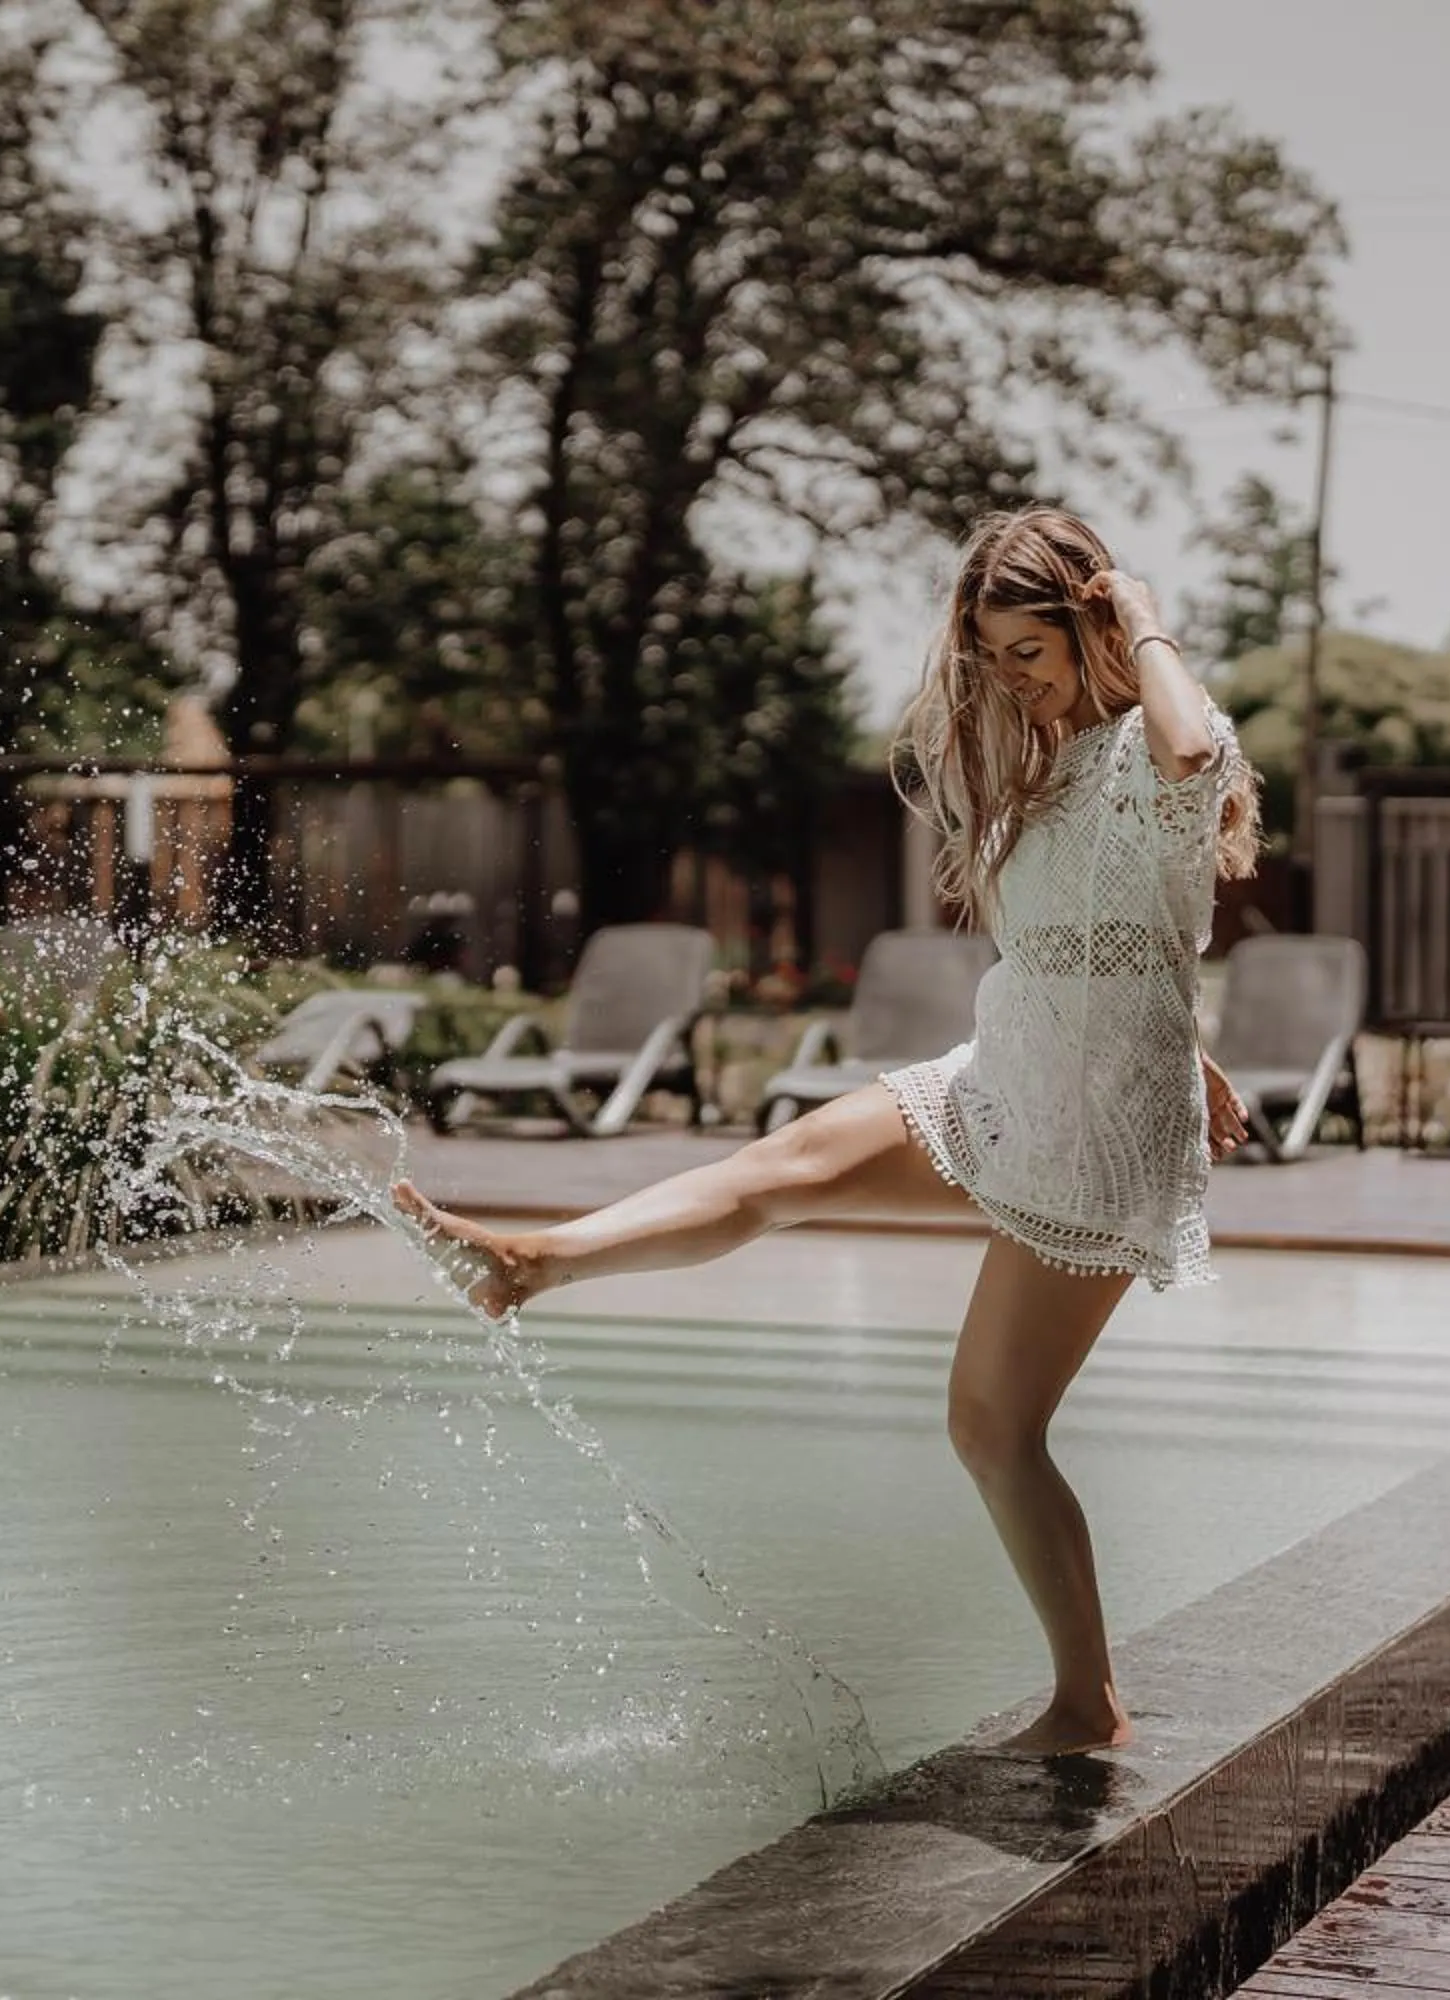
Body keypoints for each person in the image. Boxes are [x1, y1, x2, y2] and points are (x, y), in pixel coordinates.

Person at [394, 506, 1259, 1757]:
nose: (1012, 676)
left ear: (1090, 621)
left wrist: (1140, 609)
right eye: (994, 654)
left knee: (990, 1424)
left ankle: (1088, 1705)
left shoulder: (1148, 745)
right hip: (1009, 1068)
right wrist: (1190, 1037)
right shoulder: (1036, 764)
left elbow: (1187, 761)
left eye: (1035, 646)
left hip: (1100, 1130)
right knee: (780, 1167)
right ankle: (535, 1261)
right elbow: (1103, 940)